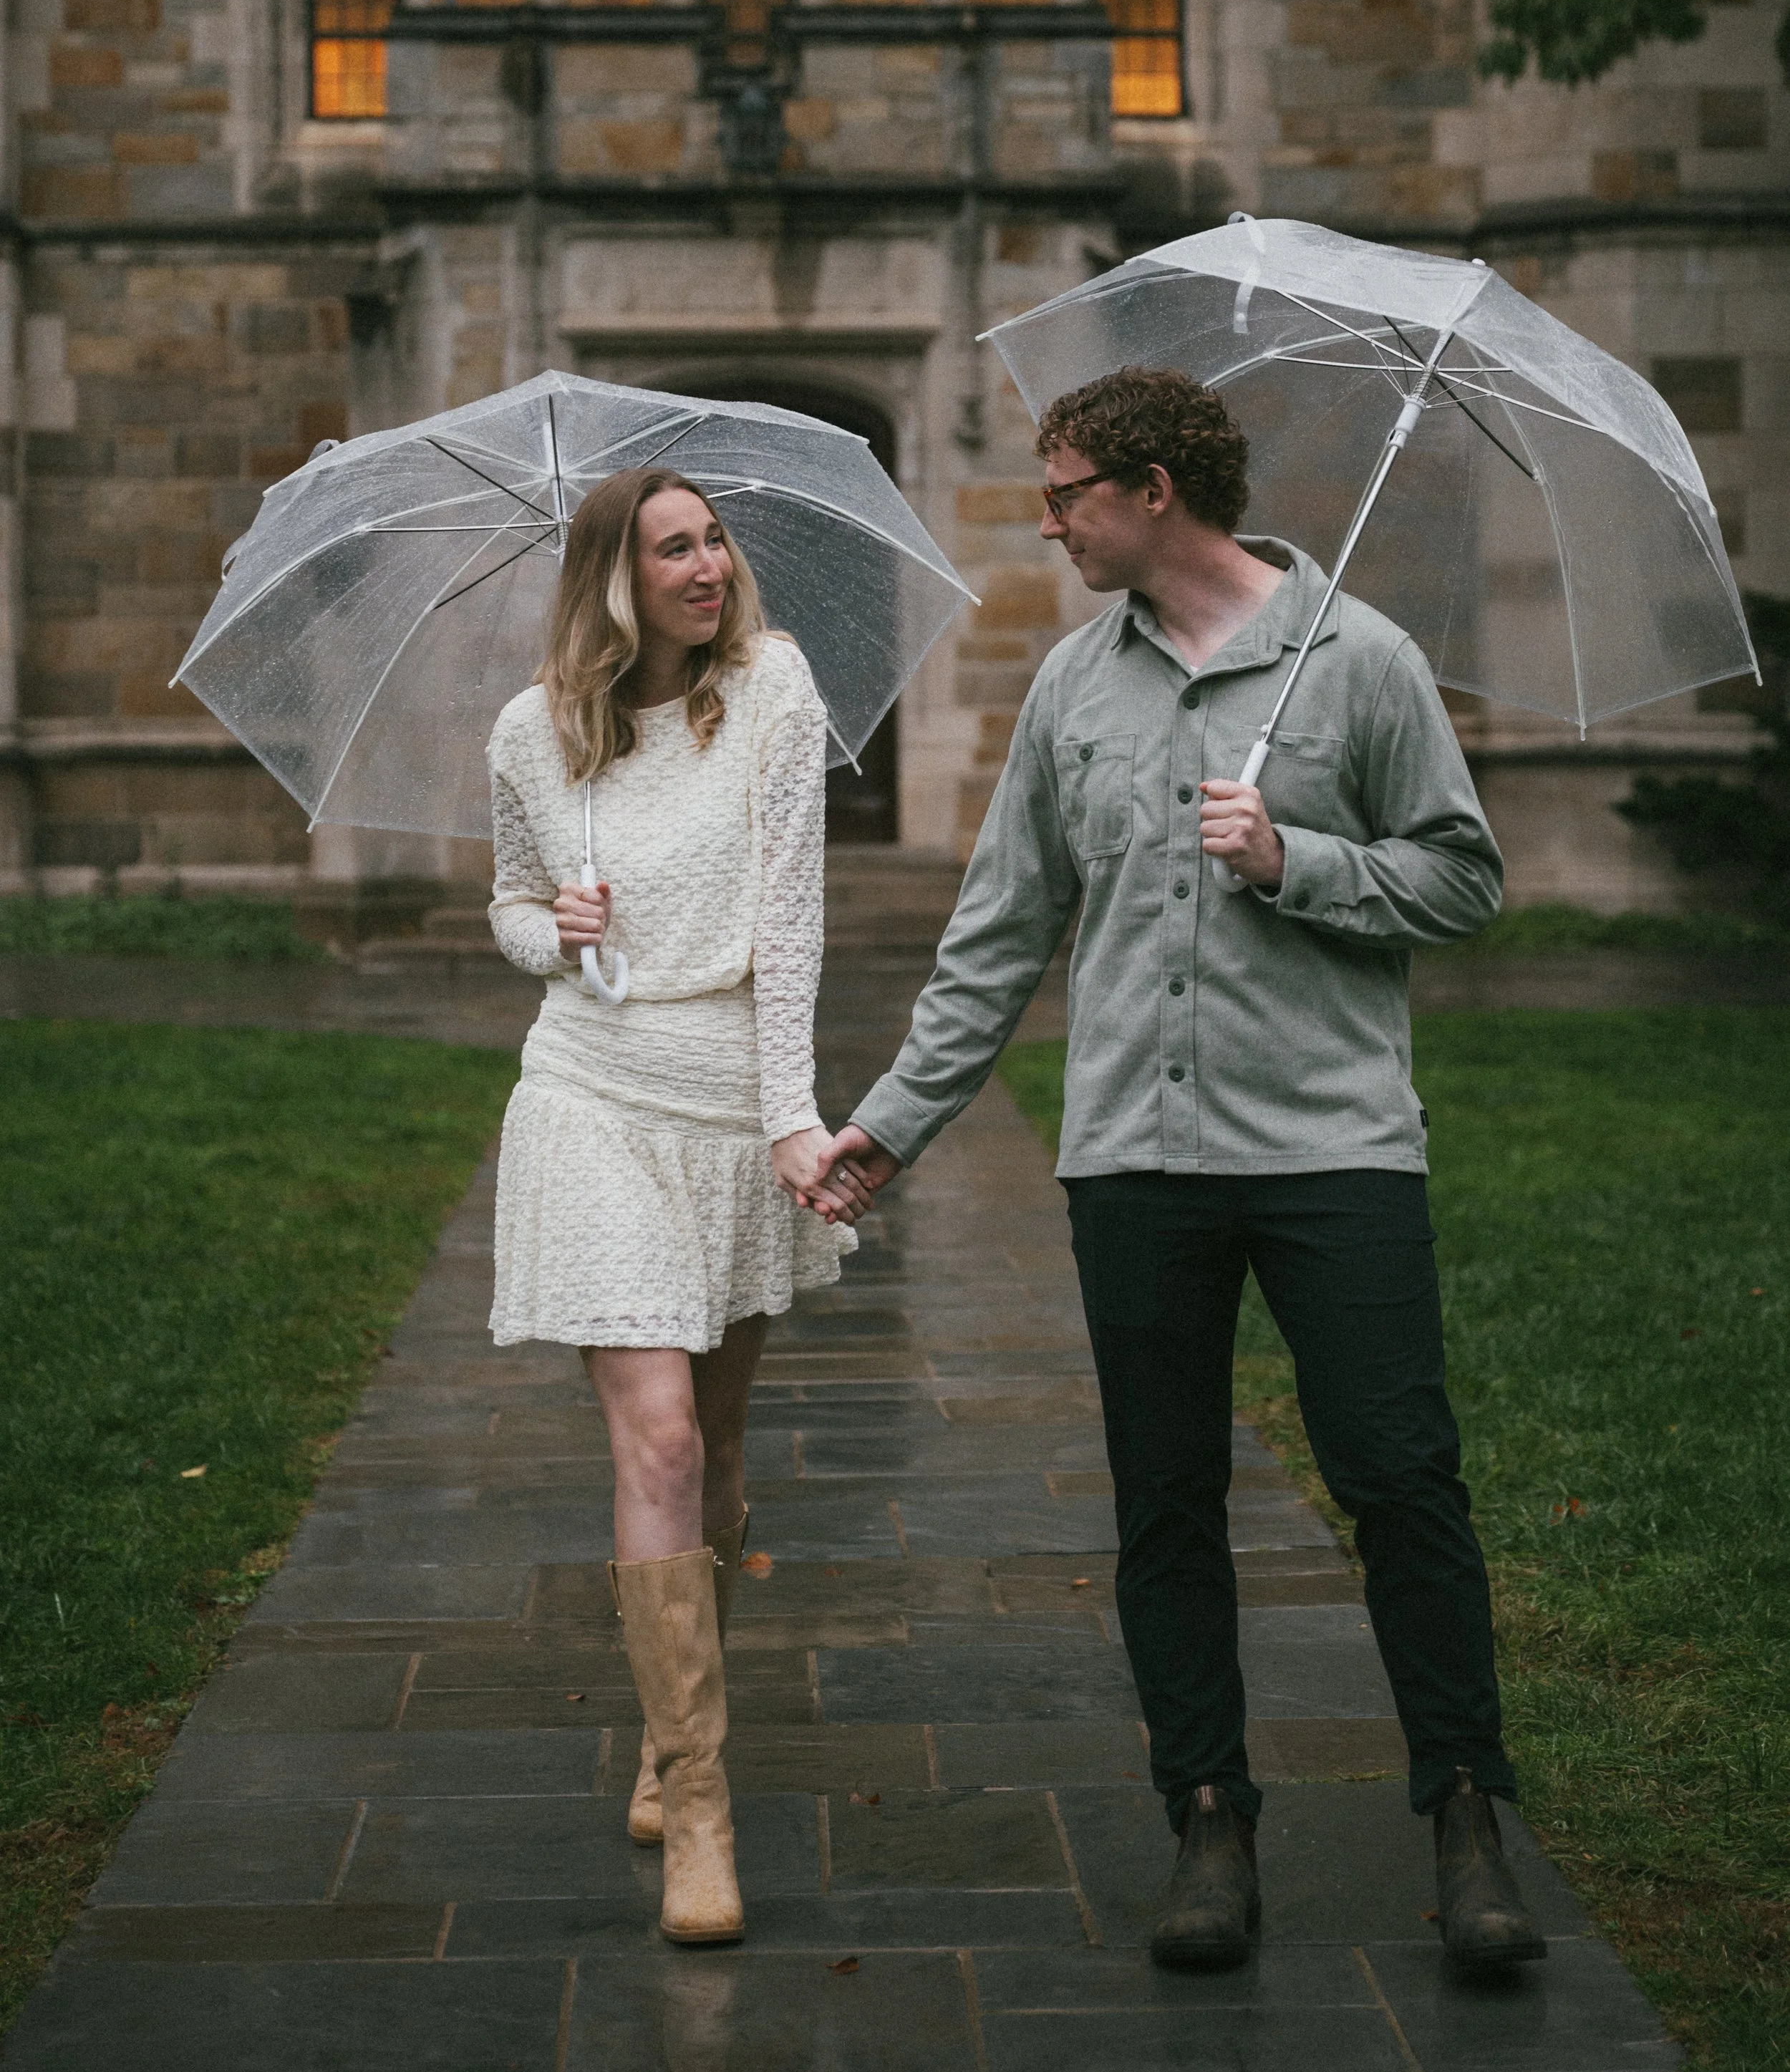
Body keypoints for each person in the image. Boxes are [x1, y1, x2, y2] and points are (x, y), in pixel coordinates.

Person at [806, 365, 1546, 1972]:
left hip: (1332, 1148)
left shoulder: (1360, 662)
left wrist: (1296, 861)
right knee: (1163, 1504)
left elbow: (1459, 877)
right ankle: (1206, 1817)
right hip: (1134, 1158)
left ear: (1152, 489)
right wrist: (890, 1120)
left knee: (1398, 1477)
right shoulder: (1075, 687)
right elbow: (999, 931)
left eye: (1066, 488)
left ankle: (1466, 1818)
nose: (1049, 516)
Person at [485, 465, 861, 1947]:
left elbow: (789, 921)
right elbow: (509, 903)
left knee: (711, 1444)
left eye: (713, 539)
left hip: (724, 1105)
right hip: (587, 1094)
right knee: (652, 1433)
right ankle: (699, 1801)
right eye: (674, 547)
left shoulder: (771, 689)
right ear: (611, 577)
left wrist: (788, 1117)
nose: (708, 566)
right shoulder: (531, 734)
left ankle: (665, 1722)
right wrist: (553, 932)